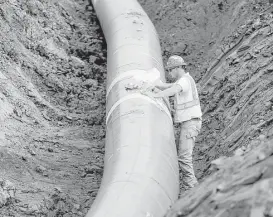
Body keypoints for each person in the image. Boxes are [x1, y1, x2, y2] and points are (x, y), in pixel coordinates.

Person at [143, 55, 202, 192]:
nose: (169, 74)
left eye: (170, 70)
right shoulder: (184, 80)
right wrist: (156, 86)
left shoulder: (185, 81)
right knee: (183, 156)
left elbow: (174, 90)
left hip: (190, 124)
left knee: (184, 158)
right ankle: (191, 188)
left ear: (177, 68)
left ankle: (192, 189)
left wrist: (154, 95)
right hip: (188, 124)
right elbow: (169, 86)